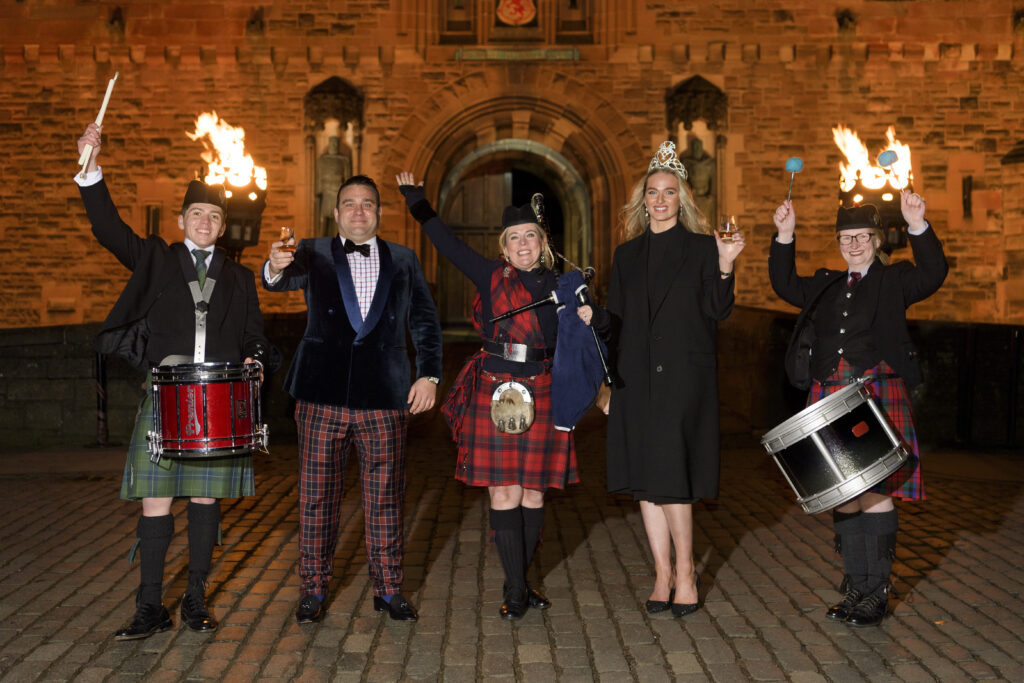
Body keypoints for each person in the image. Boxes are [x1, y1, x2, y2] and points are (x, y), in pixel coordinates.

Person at [75, 122, 268, 640]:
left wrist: (254, 361)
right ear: (183, 220)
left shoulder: (238, 276)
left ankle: (196, 600)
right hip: (164, 396)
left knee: (206, 501)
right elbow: (107, 228)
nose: (206, 222)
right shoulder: (157, 259)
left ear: (222, 226)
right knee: (156, 502)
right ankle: (148, 608)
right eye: (197, 214)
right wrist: (91, 168)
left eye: (215, 216)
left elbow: (254, 335)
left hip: (219, 401)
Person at [397, 171, 578, 620]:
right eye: (513, 238)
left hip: (547, 388)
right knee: (504, 494)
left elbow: (584, 342)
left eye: (529, 236)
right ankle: (516, 589)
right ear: (503, 246)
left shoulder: (564, 285)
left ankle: (523, 577)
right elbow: (445, 242)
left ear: (542, 242)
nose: (522, 244)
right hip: (498, 391)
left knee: (534, 496)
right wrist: (416, 200)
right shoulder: (489, 275)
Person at [263, 174, 442, 623]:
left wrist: (430, 376)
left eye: (367, 204)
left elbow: (424, 321)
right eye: (349, 204)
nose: (358, 211)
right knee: (316, 497)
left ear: (379, 213)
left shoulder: (404, 259)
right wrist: (274, 264)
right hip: (321, 395)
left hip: (386, 396)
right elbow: (276, 283)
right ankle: (313, 590)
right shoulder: (311, 251)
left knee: (385, 497)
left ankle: (388, 589)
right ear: (336, 211)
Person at [579, 141, 744, 617]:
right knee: (646, 481)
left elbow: (717, 309)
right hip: (636, 380)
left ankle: (687, 572)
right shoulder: (627, 254)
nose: (659, 200)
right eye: (652, 192)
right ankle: (662, 573)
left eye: (668, 192)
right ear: (643, 200)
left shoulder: (700, 248)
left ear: (682, 199)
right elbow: (622, 321)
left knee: (673, 478)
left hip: (682, 381)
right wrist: (597, 319)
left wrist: (727, 263)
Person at [769, 192, 947, 626]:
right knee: (844, 496)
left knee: (875, 494)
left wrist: (917, 224)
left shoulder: (894, 280)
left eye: (861, 237)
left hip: (875, 395)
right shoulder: (825, 282)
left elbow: (934, 273)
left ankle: (877, 593)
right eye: (845, 238)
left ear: (876, 240)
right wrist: (785, 234)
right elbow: (784, 284)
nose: (853, 245)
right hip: (829, 397)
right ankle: (856, 586)